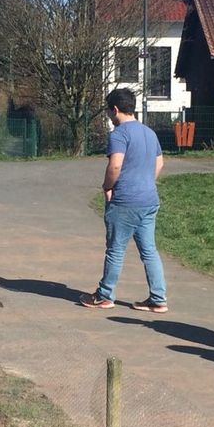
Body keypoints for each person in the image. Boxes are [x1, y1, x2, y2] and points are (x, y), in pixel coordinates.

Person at [80, 88, 168, 313]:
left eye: (109, 113)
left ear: (115, 109)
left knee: (115, 249)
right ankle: (158, 298)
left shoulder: (119, 134)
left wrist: (108, 187)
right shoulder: (150, 133)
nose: (110, 117)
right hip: (149, 200)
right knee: (149, 250)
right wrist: (146, 182)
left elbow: (115, 165)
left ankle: (105, 295)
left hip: (125, 201)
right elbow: (159, 164)